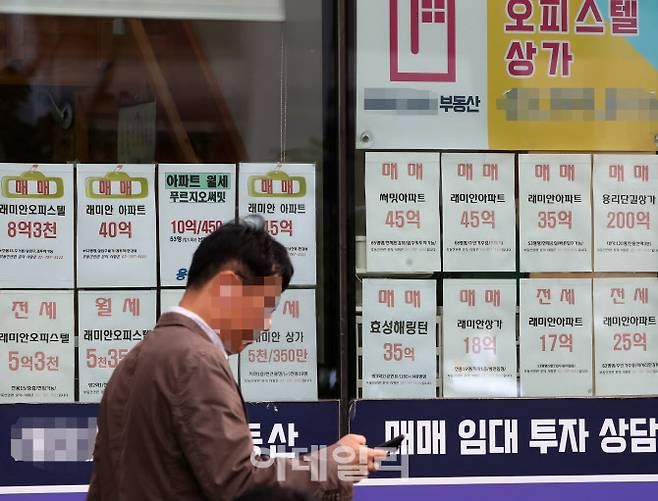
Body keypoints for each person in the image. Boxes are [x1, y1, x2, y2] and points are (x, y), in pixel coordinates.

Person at [88, 218, 384, 500]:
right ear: (227, 287)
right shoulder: (195, 360)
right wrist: (334, 465)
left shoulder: (140, 357)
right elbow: (240, 485)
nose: (267, 324)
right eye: (267, 306)